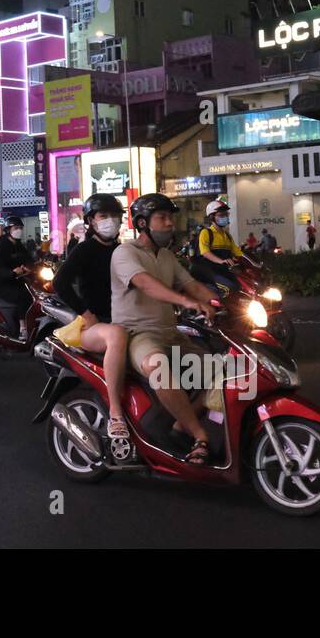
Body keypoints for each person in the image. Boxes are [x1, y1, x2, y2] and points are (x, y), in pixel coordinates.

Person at [113, 193, 220, 465]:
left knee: (223, 371)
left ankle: (178, 427)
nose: (170, 223)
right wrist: (187, 302)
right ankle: (199, 436)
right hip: (138, 335)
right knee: (158, 367)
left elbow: (191, 284)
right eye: (162, 218)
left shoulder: (168, 257)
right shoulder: (125, 253)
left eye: (170, 218)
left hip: (171, 334)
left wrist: (219, 302)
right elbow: (146, 284)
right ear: (142, 223)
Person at [53, 195, 129, 438]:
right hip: (96, 325)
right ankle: (116, 414)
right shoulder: (84, 249)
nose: (110, 221)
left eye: (114, 216)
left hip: (123, 319)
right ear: (91, 221)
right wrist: (86, 313)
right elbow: (60, 283)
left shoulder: (122, 250)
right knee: (116, 336)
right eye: (103, 216)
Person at [0, 214, 36, 338]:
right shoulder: (2, 246)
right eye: (16, 228)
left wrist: (30, 267)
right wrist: (12, 272)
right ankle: (22, 328)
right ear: (8, 230)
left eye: (20, 227)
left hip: (14, 280)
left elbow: (28, 259)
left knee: (35, 292)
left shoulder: (19, 245)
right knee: (22, 295)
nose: (19, 230)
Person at [191, 200, 242, 297]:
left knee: (239, 286)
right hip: (209, 271)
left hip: (223, 271)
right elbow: (205, 252)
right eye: (221, 215)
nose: (225, 217)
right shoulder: (206, 233)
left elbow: (237, 252)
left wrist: (253, 261)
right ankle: (217, 310)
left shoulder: (227, 235)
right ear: (212, 217)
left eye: (226, 214)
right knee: (229, 288)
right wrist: (221, 261)